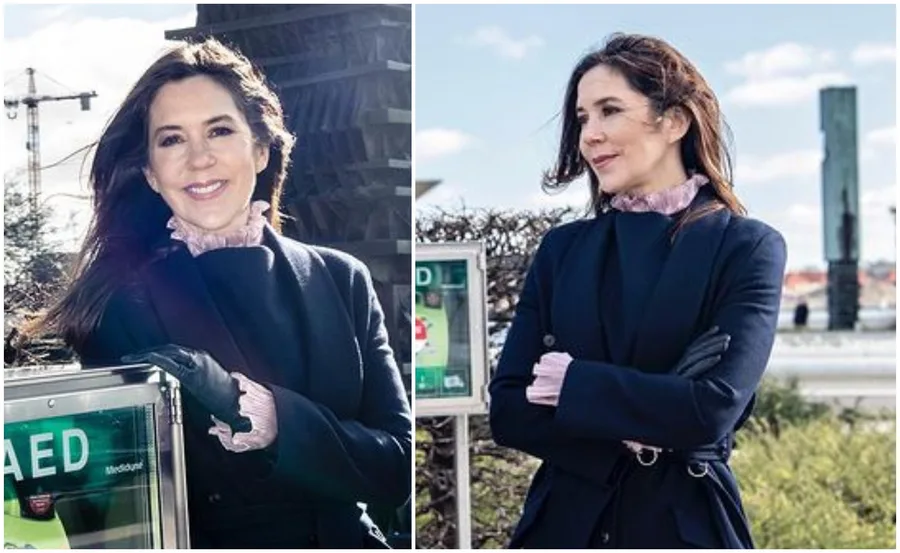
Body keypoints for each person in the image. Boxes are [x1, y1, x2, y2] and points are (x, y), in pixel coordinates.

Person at [26, 37, 412, 549]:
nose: (199, 159)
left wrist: (274, 419)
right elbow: (108, 512)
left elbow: (397, 467)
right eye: (171, 140)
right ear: (150, 173)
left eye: (220, 130)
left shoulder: (343, 279)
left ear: (260, 148)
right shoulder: (120, 306)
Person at [488, 33, 787, 549]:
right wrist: (649, 419)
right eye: (583, 118)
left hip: (684, 524)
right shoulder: (563, 250)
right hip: (564, 525)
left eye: (609, 111)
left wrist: (574, 385)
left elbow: (712, 408)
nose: (590, 135)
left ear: (674, 121)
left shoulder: (746, 247)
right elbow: (511, 411)